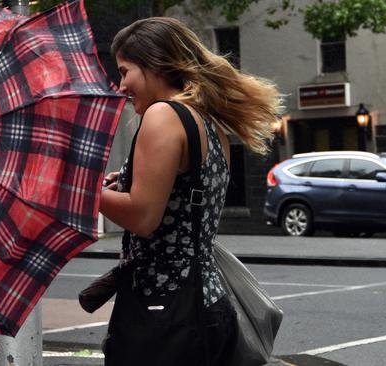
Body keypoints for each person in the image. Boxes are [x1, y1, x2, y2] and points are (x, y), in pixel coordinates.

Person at [99, 17, 282, 365]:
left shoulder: (162, 115)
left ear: (154, 64)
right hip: (208, 304)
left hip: (164, 312)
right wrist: (123, 182)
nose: (121, 85)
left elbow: (143, 216)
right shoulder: (207, 122)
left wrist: (80, 190)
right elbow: (180, 198)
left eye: (125, 71)